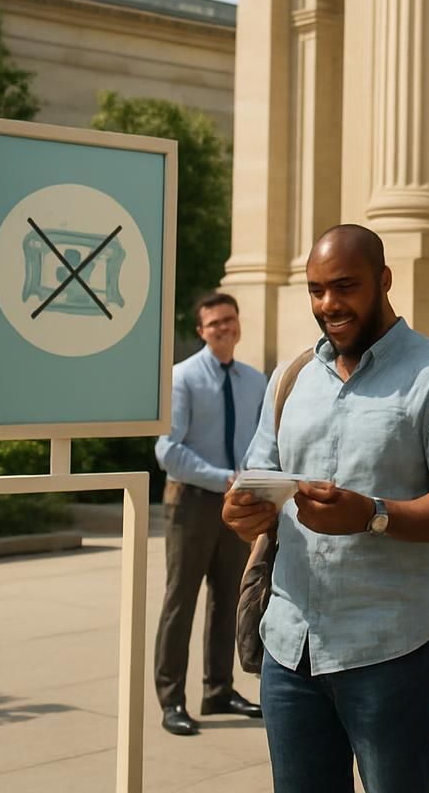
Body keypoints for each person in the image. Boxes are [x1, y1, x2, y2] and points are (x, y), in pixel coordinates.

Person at [221, 224, 429, 793]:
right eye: (316, 290)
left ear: (385, 281)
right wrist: (246, 510)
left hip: (392, 649)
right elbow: (261, 478)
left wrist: (372, 513)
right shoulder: (293, 377)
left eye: (344, 287)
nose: (328, 305)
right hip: (290, 645)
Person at [153, 293, 267, 736]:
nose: (224, 327)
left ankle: (218, 689)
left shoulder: (255, 381)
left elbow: (260, 442)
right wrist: (223, 478)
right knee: (180, 600)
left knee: (228, 598)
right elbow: (168, 450)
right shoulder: (182, 378)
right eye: (215, 322)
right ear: (201, 331)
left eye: (230, 319)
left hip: (236, 503)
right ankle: (171, 699)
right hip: (193, 500)